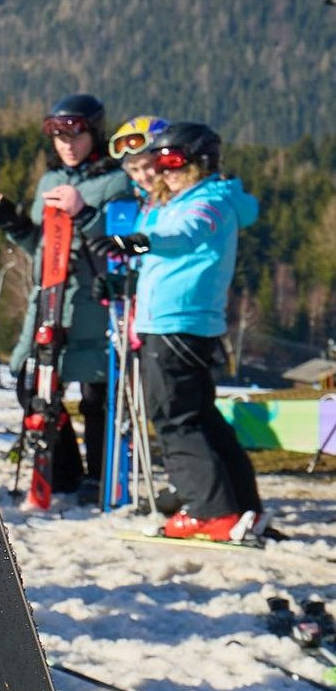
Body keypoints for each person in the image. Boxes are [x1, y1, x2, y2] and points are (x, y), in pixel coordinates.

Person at [0, 93, 135, 506]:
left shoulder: (117, 183)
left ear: (95, 133)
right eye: (57, 135)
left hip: (92, 305)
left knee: (96, 398)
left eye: (76, 133)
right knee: (32, 386)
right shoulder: (50, 182)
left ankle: (99, 478)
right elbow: (44, 246)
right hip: (48, 301)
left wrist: (86, 211)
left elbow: (119, 244)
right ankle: (64, 472)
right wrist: (15, 225)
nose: (67, 143)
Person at [120, 120, 263, 542]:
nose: (165, 170)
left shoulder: (209, 201)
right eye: (159, 161)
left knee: (174, 419)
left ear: (202, 160)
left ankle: (209, 512)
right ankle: (240, 507)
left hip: (175, 324)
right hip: (180, 324)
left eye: (174, 159)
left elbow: (184, 235)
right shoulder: (188, 198)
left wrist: (142, 240)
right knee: (201, 417)